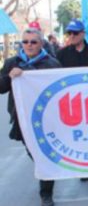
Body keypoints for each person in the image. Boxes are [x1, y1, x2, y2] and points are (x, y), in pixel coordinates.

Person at [0, 28, 61, 206]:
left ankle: (46, 194)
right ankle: (45, 175)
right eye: (25, 42)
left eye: (33, 42)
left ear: (41, 43)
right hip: (22, 119)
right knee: (34, 154)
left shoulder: (52, 63)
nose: (29, 45)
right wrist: (9, 78)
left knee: (44, 156)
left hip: (46, 119)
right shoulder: (12, 62)